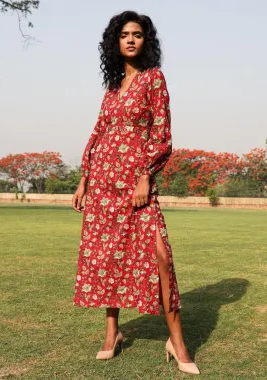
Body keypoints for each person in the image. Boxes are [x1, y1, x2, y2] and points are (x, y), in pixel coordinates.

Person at [72, 10, 200, 375]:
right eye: (124, 34)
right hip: (102, 185)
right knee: (108, 257)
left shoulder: (154, 80)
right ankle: (112, 334)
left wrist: (146, 176)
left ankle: (176, 342)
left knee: (160, 255)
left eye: (138, 34)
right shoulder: (112, 91)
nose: (130, 39)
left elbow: (162, 135)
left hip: (136, 185)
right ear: (115, 42)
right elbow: (97, 134)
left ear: (147, 41)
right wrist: (84, 179)